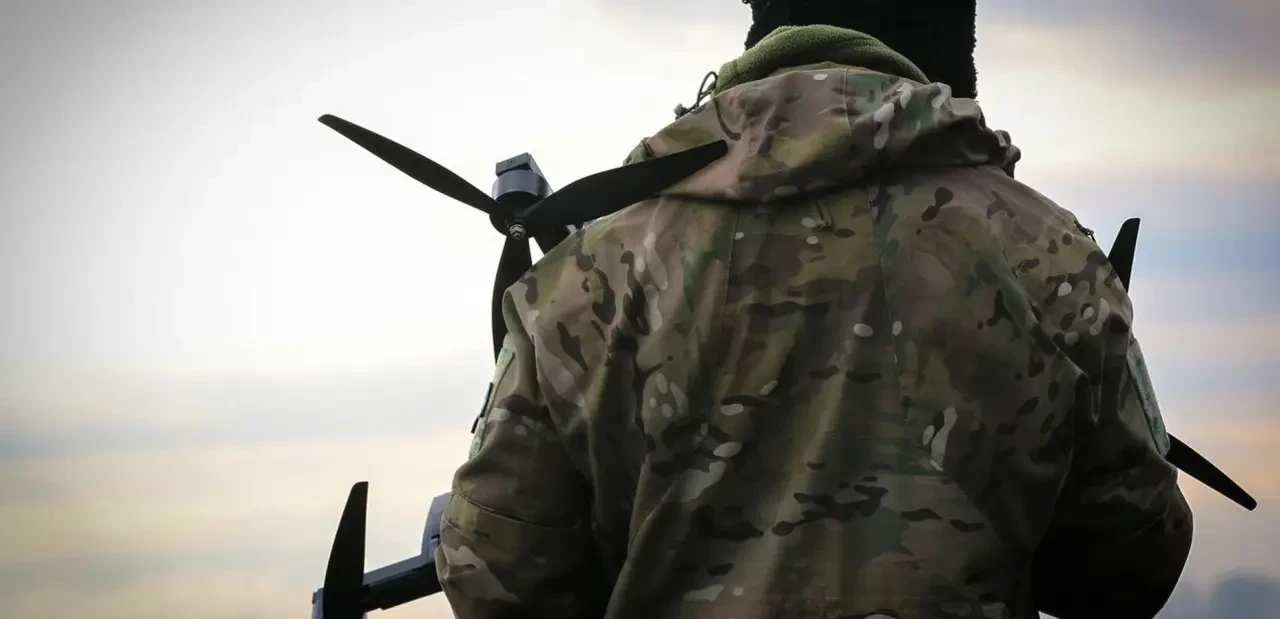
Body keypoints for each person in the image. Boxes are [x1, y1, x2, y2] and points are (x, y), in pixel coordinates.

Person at [434, 1, 1194, 617]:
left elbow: (499, 578)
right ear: (948, 51)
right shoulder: (1052, 257)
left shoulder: (586, 275)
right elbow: (1128, 569)